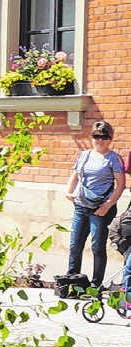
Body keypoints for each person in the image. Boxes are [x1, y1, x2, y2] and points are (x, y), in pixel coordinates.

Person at [65, 120, 125, 291]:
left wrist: (107, 205)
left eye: (104, 137)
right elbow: (76, 176)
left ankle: (96, 284)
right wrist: (68, 192)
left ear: (110, 139)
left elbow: (121, 185)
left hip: (100, 208)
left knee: (97, 246)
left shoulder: (114, 158)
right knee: (75, 244)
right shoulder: (84, 155)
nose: (100, 140)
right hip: (81, 205)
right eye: (96, 136)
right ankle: (71, 280)